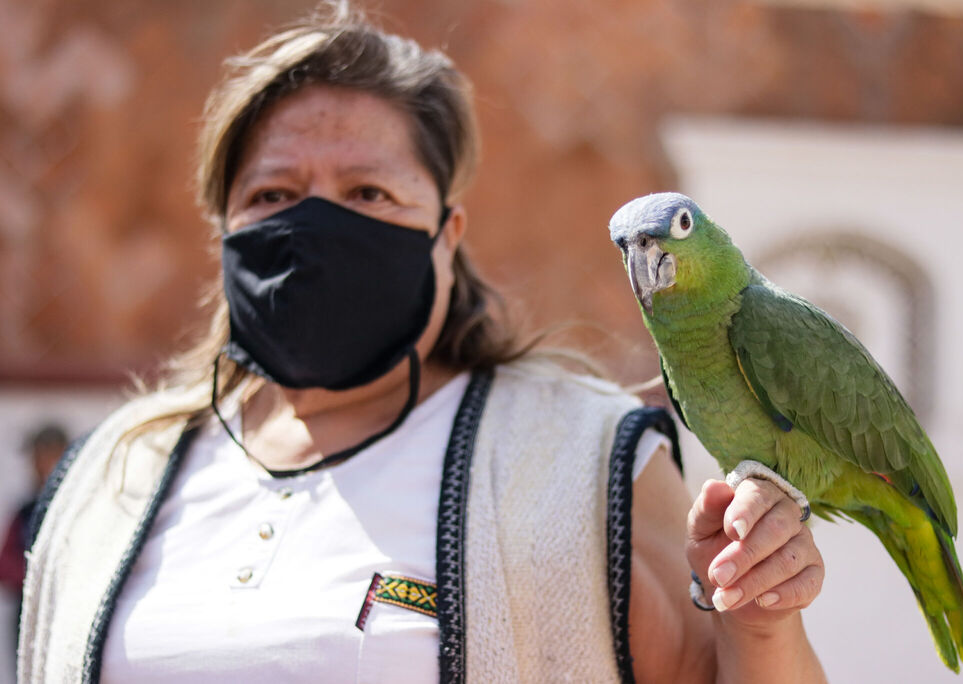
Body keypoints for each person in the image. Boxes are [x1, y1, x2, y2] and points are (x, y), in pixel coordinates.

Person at [18, 4, 827, 682]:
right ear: (223, 232)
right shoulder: (113, 477)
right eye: (274, 193)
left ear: (447, 235)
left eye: (368, 191)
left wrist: (759, 623)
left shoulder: (576, 462)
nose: (316, 226)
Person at [0, 424, 67, 650]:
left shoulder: (75, 510)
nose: (37, 465)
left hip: (64, 612)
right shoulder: (25, 511)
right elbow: (5, 564)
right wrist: (34, 576)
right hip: (27, 613)